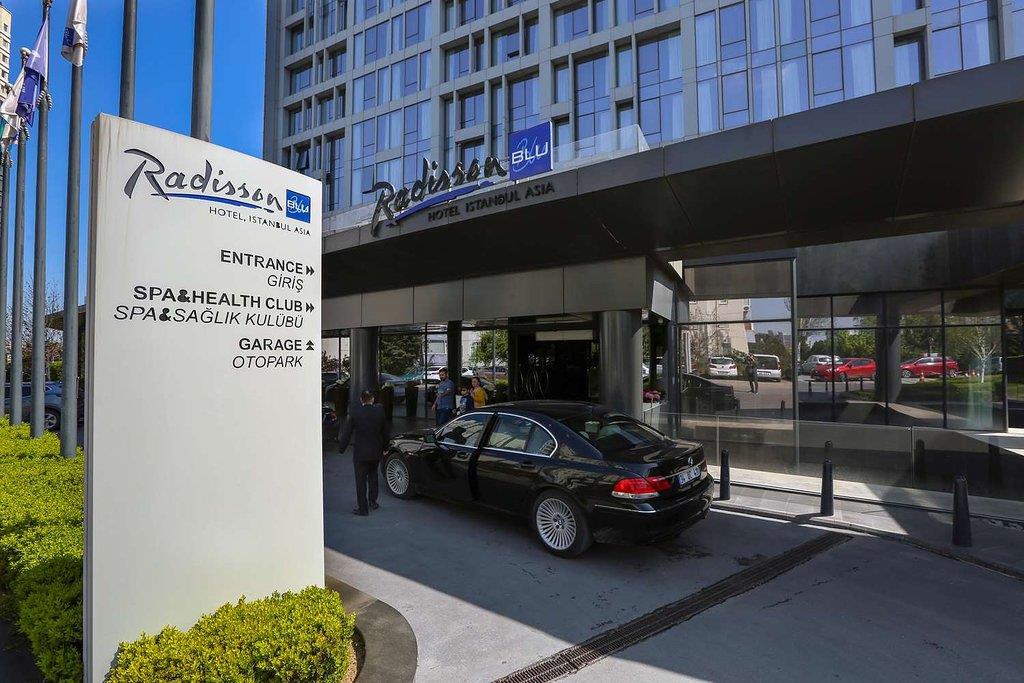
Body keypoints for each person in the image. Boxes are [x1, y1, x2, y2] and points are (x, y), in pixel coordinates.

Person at [338, 389, 390, 516]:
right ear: (373, 399)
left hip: (360, 453)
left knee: (360, 480)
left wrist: (341, 448)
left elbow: (347, 433)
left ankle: (363, 508)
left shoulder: (355, 413)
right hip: (375, 452)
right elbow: (385, 432)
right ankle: (373, 501)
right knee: (373, 476)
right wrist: (385, 448)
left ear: (361, 399)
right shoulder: (380, 412)